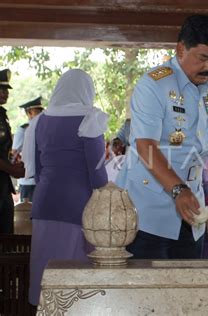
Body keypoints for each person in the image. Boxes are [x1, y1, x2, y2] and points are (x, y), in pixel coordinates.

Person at [116, 15, 208, 260]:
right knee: (145, 290)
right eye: (203, 58)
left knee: (185, 288)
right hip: (148, 210)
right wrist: (178, 190)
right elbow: (145, 146)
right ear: (180, 49)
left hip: (192, 209)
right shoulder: (154, 85)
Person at [23, 69, 108, 305]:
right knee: (75, 273)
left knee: (46, 264)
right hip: (78, 206)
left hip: (45, 203)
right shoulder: (90, 118)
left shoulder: (41, 121)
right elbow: (97, 174)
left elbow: (38, 169)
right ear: (87, 90)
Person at [0, 68, 25, 234]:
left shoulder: (2, 114)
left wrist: (13, 167)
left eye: (6, 90)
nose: (5, 93)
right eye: (0, 89)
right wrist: (12, 169)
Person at [12, 96, 44, 202]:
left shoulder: (25, 129)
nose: (40, 114)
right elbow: (14, 155)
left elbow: (13, 156)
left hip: (37, 180)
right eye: (38, 111)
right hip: (33, 181)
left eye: (41, 111)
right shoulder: (24, 130)